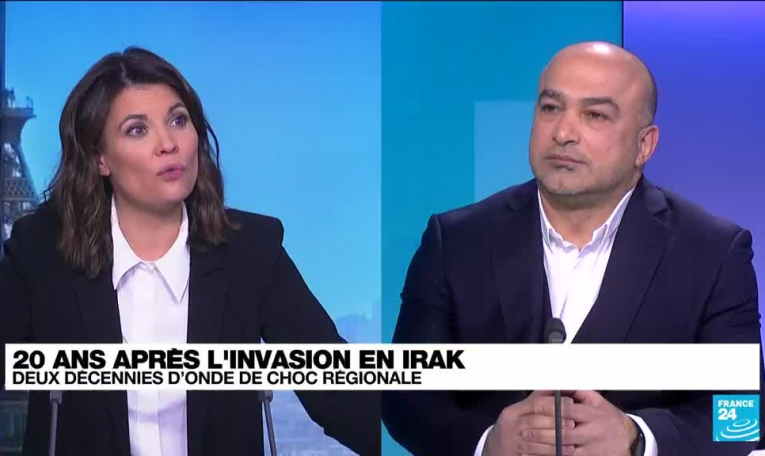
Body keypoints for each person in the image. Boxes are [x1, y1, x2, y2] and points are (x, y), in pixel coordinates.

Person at [381, 41, 763, 456]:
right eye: (550, 108)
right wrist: (486, 442)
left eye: (594, 115)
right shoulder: (455, 240)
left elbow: (744, 417)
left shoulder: (712, 252)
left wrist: (638, 438)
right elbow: (405, 401)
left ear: (644, 145)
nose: (562, 133)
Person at [0, 47, 380, 456]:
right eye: (137, 130)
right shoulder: (41, 253)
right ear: (100, 158)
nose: (168, 144)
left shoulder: (252, 251)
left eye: (178, 121)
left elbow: (342, 394)